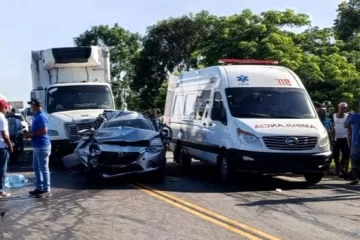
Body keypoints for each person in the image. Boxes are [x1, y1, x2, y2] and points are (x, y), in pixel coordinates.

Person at [24, 98, 52, 197]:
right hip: (37, 145)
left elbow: (44, 130)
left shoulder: (41, 116)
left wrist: (31, 134)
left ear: (36, 106)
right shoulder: (36, 116)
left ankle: (46, 189)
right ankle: (39, 187)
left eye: (31, 105)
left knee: (43, 168)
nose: (30, 107)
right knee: (36, 167)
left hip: (42, 146)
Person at [333, 102, 350, 177]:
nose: (343, 109)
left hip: (344, 138)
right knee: (336, 155)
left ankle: (346, 170)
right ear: (338, 107)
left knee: (346, 154)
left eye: (345, 108)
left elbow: (349, 125)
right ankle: (337, 170)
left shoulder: (347, 116)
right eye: (342, 107)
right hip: (336, 138)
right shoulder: (333, 116)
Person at [345, 101, 360, 185]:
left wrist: (349, 116)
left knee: (354, 160)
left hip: (356, 142)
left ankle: (355, 179)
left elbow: (346, 125)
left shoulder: (355, 115)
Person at [0, 100, 12, 197]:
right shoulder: (2, 118)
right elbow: (4, 135)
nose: (6, 110)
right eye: (6, 108)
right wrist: (10, 145)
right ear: (2, 107)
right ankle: (0, 191)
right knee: (2, 169)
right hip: (2, 147)